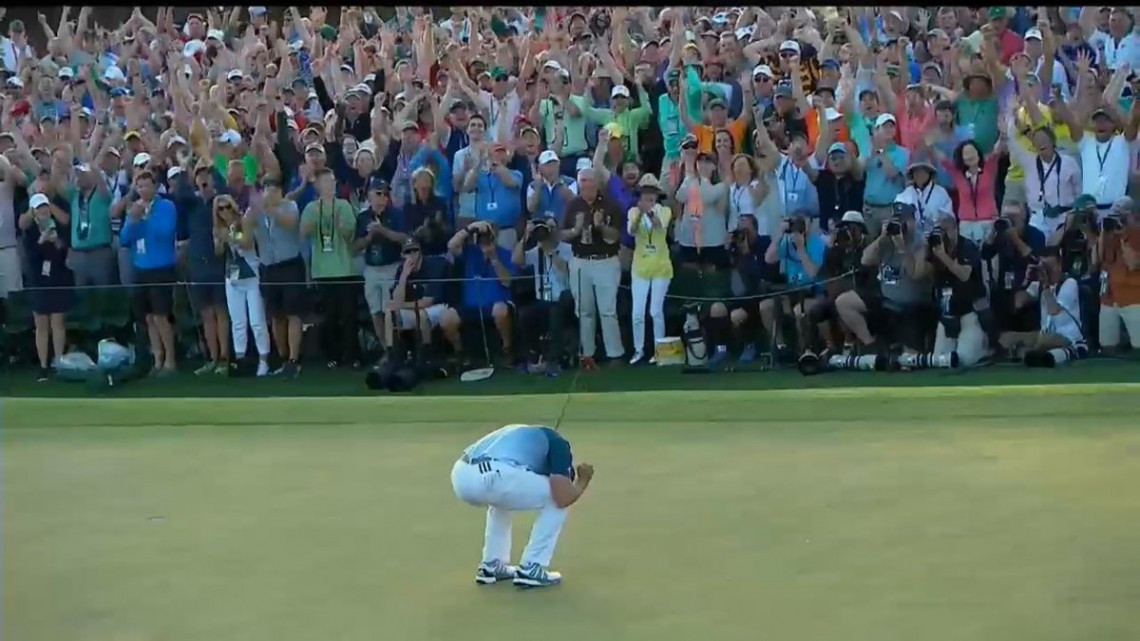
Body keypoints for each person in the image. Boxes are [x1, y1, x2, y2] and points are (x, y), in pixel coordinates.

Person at [450, 423, 594, 588]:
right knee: (557, 500)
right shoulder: (560, 445)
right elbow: (563, 497)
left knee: (501, 499)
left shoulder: (522, 434)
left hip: (461, 475)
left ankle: (492, 564)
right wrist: (583, 481)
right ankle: (532, 566)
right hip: (494, 474)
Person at [562, 167, 625, 367]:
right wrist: (576, 229)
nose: (586, 184)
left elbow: (615, 236)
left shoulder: (610, 205)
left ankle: (615, 355)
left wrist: (600, 227)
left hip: (605, 260)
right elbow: (562, 235)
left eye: (589, 180)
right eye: (582, 181)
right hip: (580, 261)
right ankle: (587, 354)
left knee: (607, 310)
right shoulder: (573, 205)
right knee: (584, 310)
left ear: (597, 182)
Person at [119, 170, 178, 376]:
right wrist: (134, 220)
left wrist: (144, 219)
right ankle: (158, 359)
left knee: (162, 316)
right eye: (140, 186)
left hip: (161, 268)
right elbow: (125, 239)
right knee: (149, 318)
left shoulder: (166, 206)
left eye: (147, 185)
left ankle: (171, 361)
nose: (143, 189)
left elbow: (166, 232)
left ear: (154, 187)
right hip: (141, 268)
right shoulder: (134, 208)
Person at [300, 168, 359, 369]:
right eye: (325, 182)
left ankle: (352, 356)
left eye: (332, 181)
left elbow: (349, 232)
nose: (329, 185)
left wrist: (339, 223)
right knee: (330, 317)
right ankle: (333, 356)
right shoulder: (311, 208)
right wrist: (316, 220)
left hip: (345, 269)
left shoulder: (344, 205)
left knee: (349, 315)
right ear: (317, 185)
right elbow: (303, 232)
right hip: (323, 271)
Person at [253, 177, 305, 377]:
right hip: (268, 268)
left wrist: (271, 209)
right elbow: (243, 231)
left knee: (293, 313)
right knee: (276, 315)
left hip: (290, 265)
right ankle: (283, 358)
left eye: (274, 190)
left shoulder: (289, 206)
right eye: (266, 189)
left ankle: (294, 359)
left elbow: (289, 223)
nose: (270, 193)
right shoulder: (255, 211)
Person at [213, 194, 270, 377]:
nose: (224, 212)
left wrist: (231, 235)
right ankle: (240, 359)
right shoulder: (218, 228)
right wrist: (220, 239)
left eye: (227, 207)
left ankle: (264, 360)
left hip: (251, 274)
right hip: (232, 276)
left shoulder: (244, 220)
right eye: (220, 209)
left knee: (256, 321)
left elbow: (246, 242)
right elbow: (218, 251)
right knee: (238, 321)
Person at [18, 193, 72, 381]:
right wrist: (41, 240)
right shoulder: (30, 232)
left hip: (57, 279)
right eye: (39, 209)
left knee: (58, 322)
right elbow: (31, 258)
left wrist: (56, 241)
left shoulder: (58, 227)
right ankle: (43, 365)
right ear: (33, 212)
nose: (43, 211)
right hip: (38, 282)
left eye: (45, 207)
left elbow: (64, 253)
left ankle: (59, 362)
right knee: (41, 324)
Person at [512, 217, 575, 375]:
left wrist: (551, 253)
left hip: (565, 299)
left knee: (556, 312)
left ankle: (553, 360)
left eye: (552, 228)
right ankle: (532, 357)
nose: (548, 232)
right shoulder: (535, 252)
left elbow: (569, 272)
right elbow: (516, 260)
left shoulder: (568, 249)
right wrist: (525, 237)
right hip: (543, 300)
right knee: (525, 316)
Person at [626, 174, 673, 365]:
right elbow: (631, 231)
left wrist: (651, 213)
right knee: (637, 313)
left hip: (661, 266)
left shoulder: (665, 211)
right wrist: (640, 214)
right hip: (640, 267)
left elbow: (660, 226)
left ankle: (659, 350)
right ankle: (639, 350)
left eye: (652, 194)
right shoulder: (633, 212)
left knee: (655, 311)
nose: (649, 197)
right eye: (645, 194)